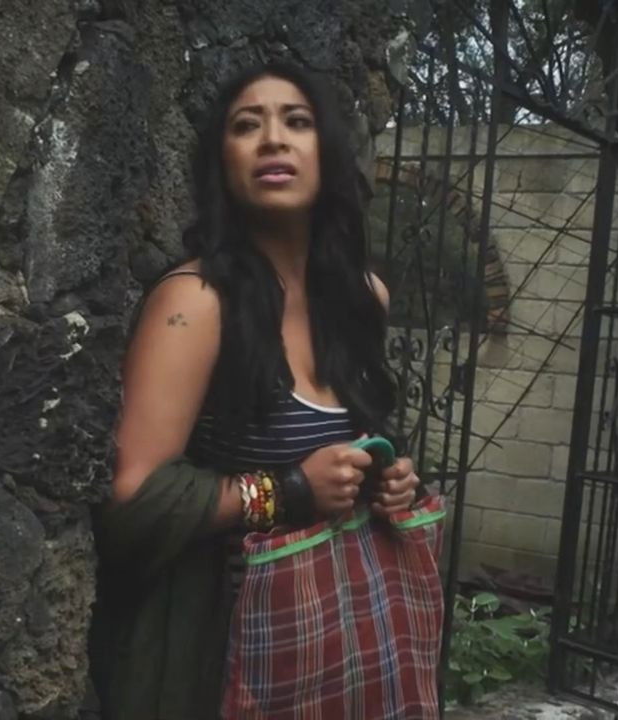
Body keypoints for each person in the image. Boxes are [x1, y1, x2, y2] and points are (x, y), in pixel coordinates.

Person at [89, 62, 435, 720]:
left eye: (296, 122)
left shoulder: (364, 298)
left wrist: (386, 478)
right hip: (217, 651)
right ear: (222, 164)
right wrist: (291, 489)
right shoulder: (195, 303)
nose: (273, 139)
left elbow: (353, 442)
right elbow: (131, 500)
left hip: (337, 642)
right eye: (247, 126)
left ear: (327, 153)